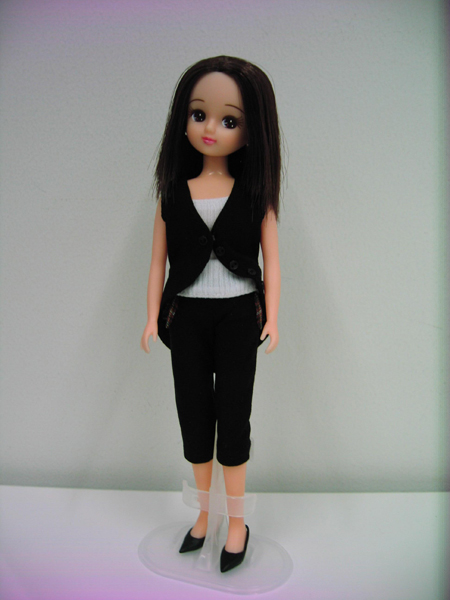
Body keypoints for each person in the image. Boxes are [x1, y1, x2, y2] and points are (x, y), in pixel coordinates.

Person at [140, 55, 281, 573]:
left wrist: (273, 316)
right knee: (194, 415)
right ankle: (204, 515)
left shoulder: (257, 194)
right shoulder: (172, 194)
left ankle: (236, 522)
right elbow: (157, 261)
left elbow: (272, 260)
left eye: (230, 120)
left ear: (251, 131)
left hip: (241, 316)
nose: (211, 129)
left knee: (234, 419)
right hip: (186, 320)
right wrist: (151, 317)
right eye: (199, 114)